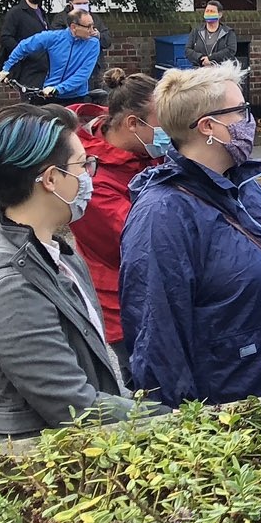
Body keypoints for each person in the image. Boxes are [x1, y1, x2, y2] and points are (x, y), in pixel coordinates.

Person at [121, 63, 261, 406]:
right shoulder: (163, 214)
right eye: (241, 111)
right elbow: (157, 339)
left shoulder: (245, 186)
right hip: (232, 412)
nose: (250, 120)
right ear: (208, 126)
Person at [0, 106, 135, 448]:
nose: (90, 177)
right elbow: (73, 403)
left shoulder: (54, 252)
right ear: (50, 179)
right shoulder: (6, 287)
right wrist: (174, 418)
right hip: (31, 466)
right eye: (83, 166)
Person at [69, 70, 164, 381]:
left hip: (162, 298)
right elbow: (144, 241)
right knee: (151, 401)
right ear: (133, 124)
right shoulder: (93, 179)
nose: (170, 133)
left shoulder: (147, 154)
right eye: (162, 123)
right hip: (127, 311)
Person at [1, 8, 103, 104]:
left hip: (76, 97)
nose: (92, 30)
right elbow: (24, 46)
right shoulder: (54, 37)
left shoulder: (93, 43)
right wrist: (7, 68)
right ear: (73, 27)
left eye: (93, 26)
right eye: (88, 27)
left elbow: (83, 74)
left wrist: (58, 88)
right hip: (50, 95)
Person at [0, 0, 50, 91]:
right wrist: (23, 52)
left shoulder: (42, 13)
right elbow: (6, 37)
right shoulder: (16, 13)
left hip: (43, 68)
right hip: (26, 69)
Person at [187, 0, 238, 67]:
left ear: (220, 14)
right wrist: (200, 58)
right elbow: (188, 50)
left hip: (222, 71)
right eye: (207, 11)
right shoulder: (196, 32)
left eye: (212, 11)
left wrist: (211, 59)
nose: (209, 13)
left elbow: (231, 50)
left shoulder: (228, 32)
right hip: (200, 71)